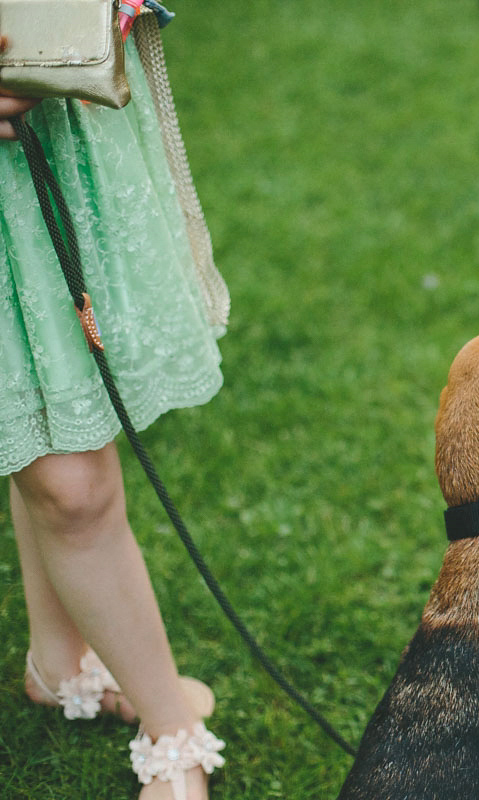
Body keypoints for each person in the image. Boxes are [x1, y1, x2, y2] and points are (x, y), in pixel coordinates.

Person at [1, 6, 228, 800]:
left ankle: (59, 663)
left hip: (45, 89)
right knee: (73, 483)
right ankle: (174, 734)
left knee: (37, 401)